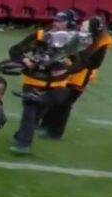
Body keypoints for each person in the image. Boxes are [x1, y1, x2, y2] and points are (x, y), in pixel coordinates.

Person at [7, 10, 83, 154]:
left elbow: (79, 64)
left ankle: (21, 136)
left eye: (61, 21)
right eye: (56, 20)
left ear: (70, 23)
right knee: (30, 112)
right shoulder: (41, 36)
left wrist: (66, 70)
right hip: (34, 81)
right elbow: (15, 50)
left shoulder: (73, 42)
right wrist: (25, 60)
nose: (56, 23)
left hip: (56, 86)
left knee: (37, 116)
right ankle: (22, 143)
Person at [40, 16, 112, 139]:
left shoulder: (101, 43)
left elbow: (94, 64)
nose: (81, 27)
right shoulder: (77, 36)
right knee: (54, 98)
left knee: (65, 103)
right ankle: (45, 125)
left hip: (80, 76)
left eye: (84, 26)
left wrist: (73, 64)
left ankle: (55, 132)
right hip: (67, 70)